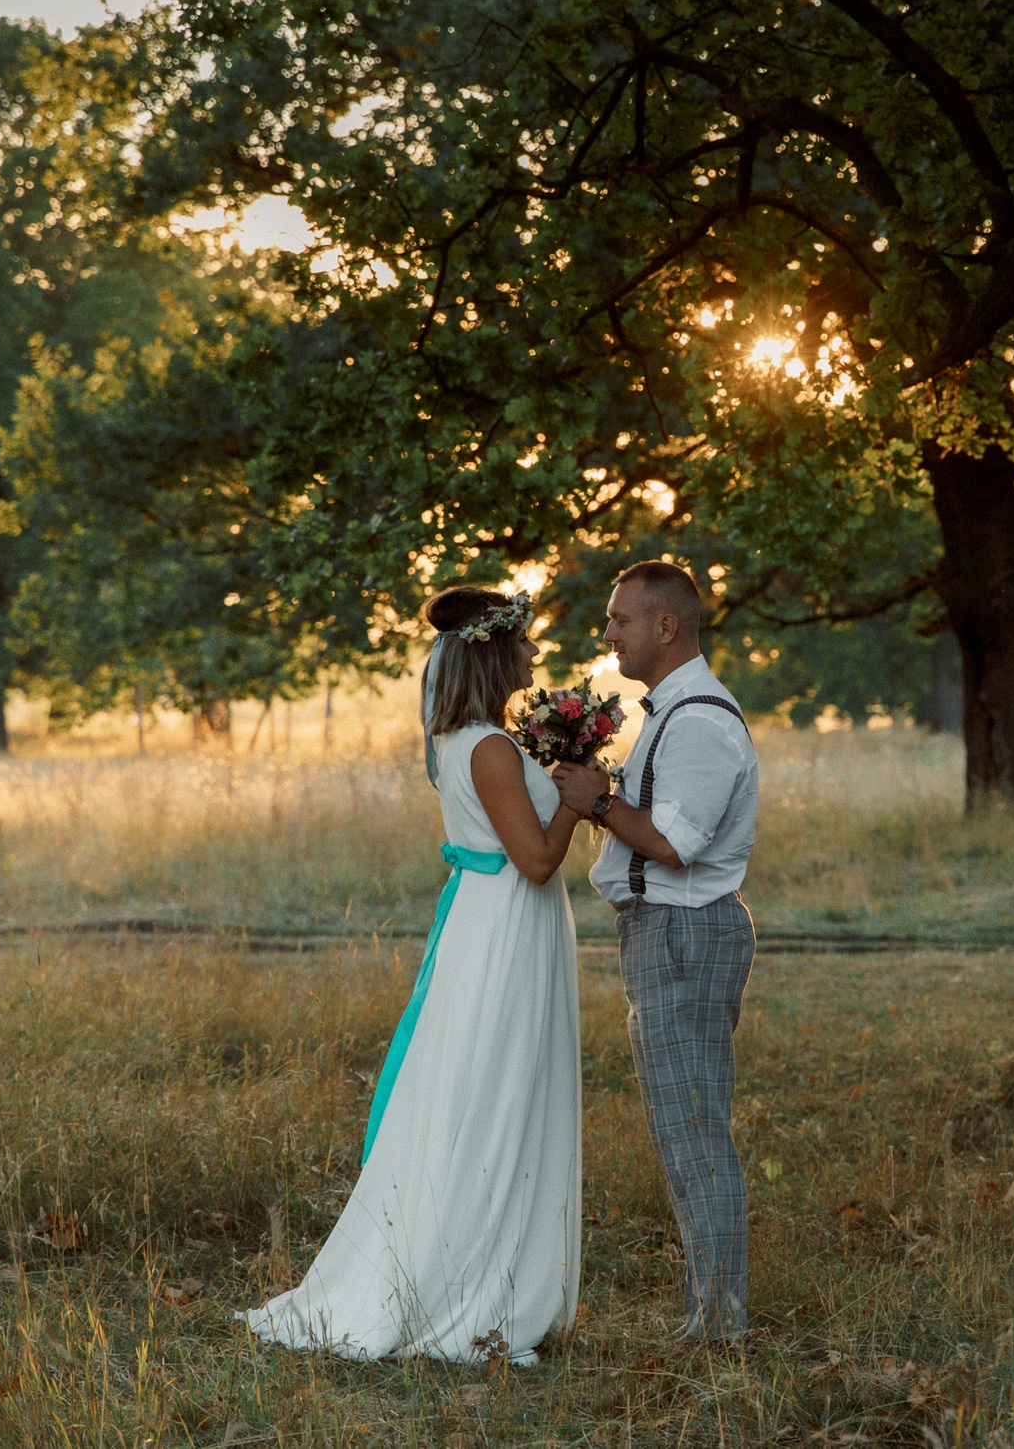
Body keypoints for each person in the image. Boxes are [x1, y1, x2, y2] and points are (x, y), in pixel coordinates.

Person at [240, 587, 586, 1365]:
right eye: (525, 644)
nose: (534, 656)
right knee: (492, 1092)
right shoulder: (489, 747)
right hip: (503, 927)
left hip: (492, 923)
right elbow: (534, 859)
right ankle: (468, 1288)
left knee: (485, 1089)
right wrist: (578, 797)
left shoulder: (468, 739)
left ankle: (486, 1266)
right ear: (495, 653)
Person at [551, 562, 761, 1345]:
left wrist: (599, 802)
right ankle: (711, 1314)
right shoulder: (672, 712)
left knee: (694, 1129)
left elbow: (672, 844)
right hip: (664, 932)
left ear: (665, 626)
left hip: (685, 932)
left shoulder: (701, 719)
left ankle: (719, 1327)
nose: (609, 633)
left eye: (620, 620)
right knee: (683, 1127)